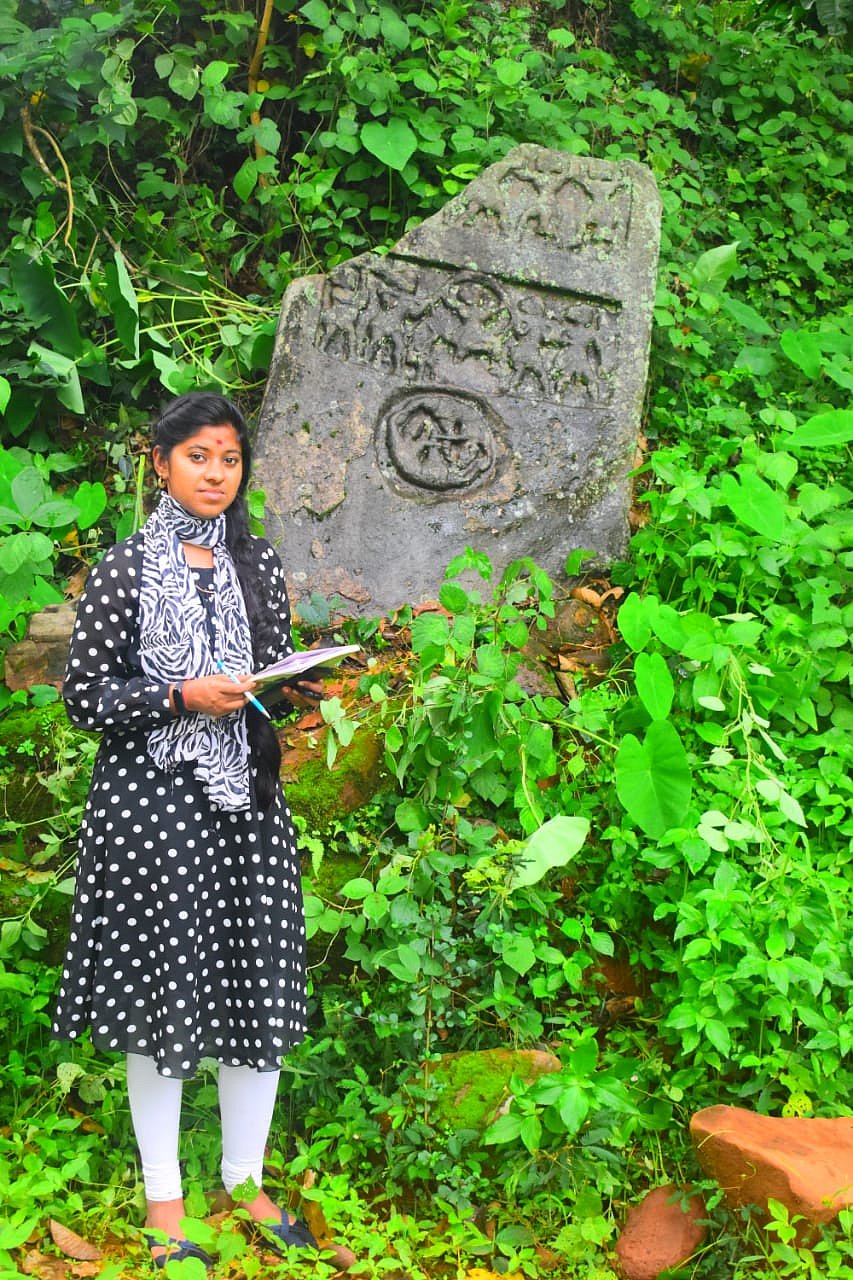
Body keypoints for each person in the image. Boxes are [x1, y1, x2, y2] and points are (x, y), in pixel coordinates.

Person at [52, 392, 322, 1268]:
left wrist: (289, 686)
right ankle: (165, 1202)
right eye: (199, 456)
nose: (215, 473)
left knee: (257, 978)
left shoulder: (260, 564)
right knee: (162, 992)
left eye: (230, 458)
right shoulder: (126, 570)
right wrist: (176, 694)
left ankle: (244, 1180)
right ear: (162, 463)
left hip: (245, 800)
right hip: (151, 811)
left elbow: (265, 677)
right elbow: (85, 698)